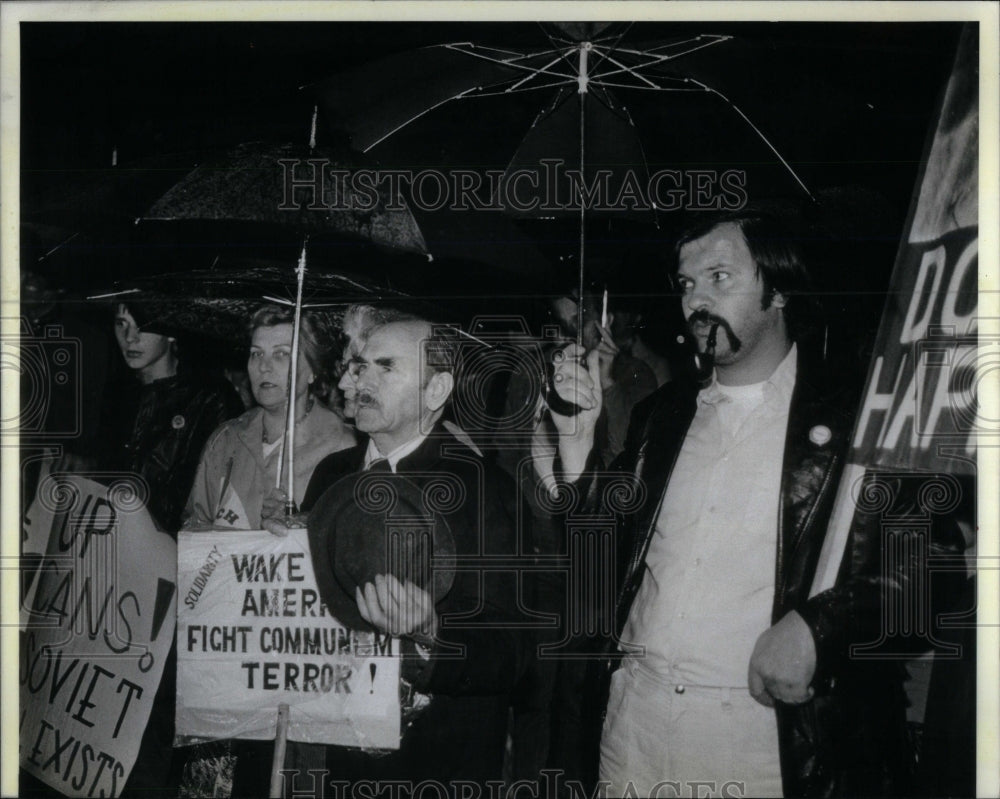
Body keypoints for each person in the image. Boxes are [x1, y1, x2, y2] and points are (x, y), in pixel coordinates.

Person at [547, 210, 964, 797]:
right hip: (633, 733)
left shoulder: (857, 422)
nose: (696, 301)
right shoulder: (661, 417)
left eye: (719, 277)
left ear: (780, 289)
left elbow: (932, 579)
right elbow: (596, 570)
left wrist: (821, 629)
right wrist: (576, 454)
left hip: (765, 743)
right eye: (687, 283)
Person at [300, 316, 531, 790]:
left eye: (386, 368)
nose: (358, 381)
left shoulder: (485, 491)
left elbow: (517, 650)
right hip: (336, 760)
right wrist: (279, 548)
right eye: (360, 366)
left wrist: (432, 633)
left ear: (436, 389)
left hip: (437, 766)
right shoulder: (331, 475)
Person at [184, 304, 356, 529]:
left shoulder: (342, 445)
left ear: (313, 369)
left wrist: (301, 521)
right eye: (256, 354)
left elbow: (344, 542)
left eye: (281, 354)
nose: (264, 367)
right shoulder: (226, 439)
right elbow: (193, 527)